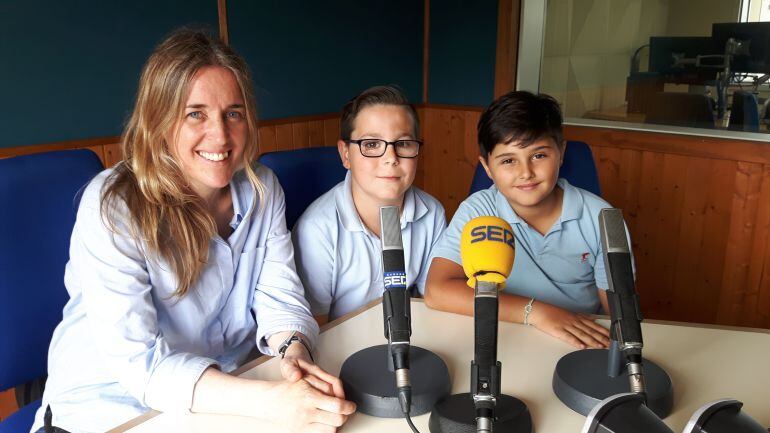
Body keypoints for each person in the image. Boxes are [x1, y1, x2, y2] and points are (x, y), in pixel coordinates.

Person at [31, 29, 355, 433]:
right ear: (160, 120)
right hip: (111, 409)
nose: (220, 136)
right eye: (195, 113)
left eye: (233, 113)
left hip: (221, 394)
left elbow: (278, 295)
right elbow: (141, 364)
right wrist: (272, 401)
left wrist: (295, 354)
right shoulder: (114, 205)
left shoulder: (262, 188)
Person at [425, 90, 632, 350]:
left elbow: (619, 314)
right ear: (487, 167)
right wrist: (536, 313)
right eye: (509, 160)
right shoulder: (479, 210)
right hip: (504, 336)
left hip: (576, 342)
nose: (526, 173)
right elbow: (436, 291)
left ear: (561, 152)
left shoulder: (602, 218)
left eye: (539, 155)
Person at [292, 86, 446, 324]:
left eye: (404, 143)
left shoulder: (432, 213)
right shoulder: (317, 229)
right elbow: (316, 325)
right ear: (345, 155)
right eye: (372, 144)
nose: (391, 158)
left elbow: (431, 301)